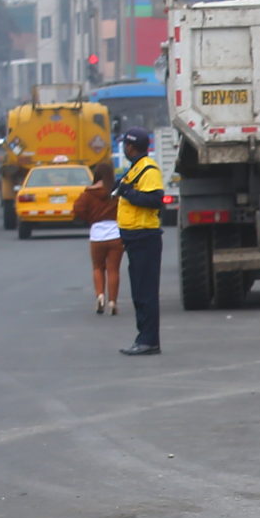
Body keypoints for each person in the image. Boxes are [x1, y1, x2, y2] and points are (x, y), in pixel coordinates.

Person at [113, 129, 166, 354]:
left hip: (145, 236)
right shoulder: (135, 169)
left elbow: (156, 200)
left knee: (145, 292)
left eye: (126, 144)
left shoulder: (149, 169)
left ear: (131, 147)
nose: (124, 148)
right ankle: (143, 337)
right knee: (139, 291)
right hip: (135, 237)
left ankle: (149, 340)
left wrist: (128, 193)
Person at [75, 162, 122, 313]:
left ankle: (100, 295)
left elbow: (77, 209)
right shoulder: (116, 192)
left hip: (97, 235)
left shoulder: (88, 194)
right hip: (116, 233)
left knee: (97, 267)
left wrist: (90, 218)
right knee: (113, 269)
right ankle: (113, 302)